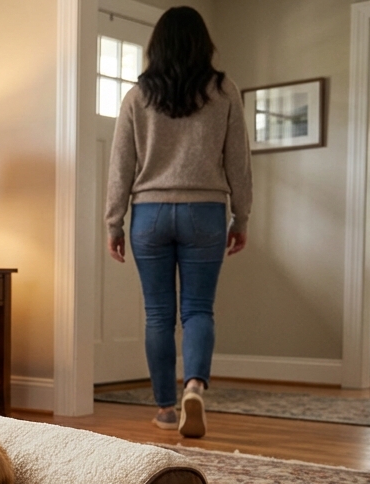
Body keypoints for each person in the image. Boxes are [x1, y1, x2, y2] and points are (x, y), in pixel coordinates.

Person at [104, 5, 252, 439]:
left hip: (149, 213)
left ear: (157, 47)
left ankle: (166, 408)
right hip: (205, 211)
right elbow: (238, 162)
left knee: (158, 315)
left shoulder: (136, 96)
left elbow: (121, 165)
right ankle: (194, 388)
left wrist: (114, 222)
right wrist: (241, 216)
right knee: (198, 310)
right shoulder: (225, 92)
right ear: (203, 45)